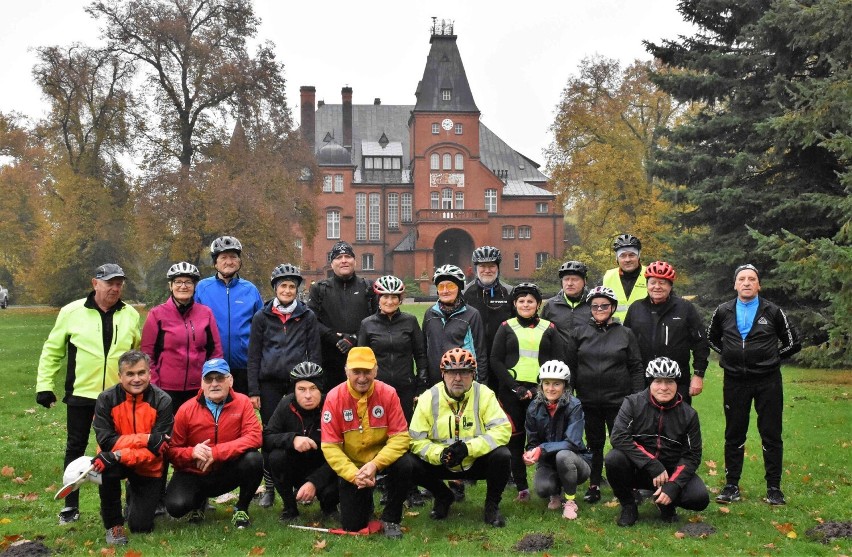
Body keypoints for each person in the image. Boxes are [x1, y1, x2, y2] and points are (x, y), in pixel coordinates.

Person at [36, 263, 141, 525]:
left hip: (118, 396)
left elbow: (137, 354)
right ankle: (71, 506)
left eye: (119, 284)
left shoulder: (130, 315)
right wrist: (44, 385)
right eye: (109, 283)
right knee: (75, 447)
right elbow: (52, 350)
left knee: (124, 448)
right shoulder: (71, 312)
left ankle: (131, 503)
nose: (115, 288)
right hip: (81, 393)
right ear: (95, 283)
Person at [708, 264, 801, 506]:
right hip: (735, 381)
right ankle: (731, 486)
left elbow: (792, 342)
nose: (747, 283)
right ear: (735, 284)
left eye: (752, 279)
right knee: (734, 433)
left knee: (771, 434)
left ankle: (774, 488)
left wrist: (771, 359)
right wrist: (728, 356)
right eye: (742, 279)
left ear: (759, 285)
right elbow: (711, 338)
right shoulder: (723, 311)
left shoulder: (772, 311)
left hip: (767, 381)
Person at [409, 348, 512, 527]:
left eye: (464, 372)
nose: (457, 378)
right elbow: (415, 440)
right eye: (452, 373)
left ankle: (491, 506)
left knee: (502, 455)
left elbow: (502, 429)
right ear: (443, 374)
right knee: (408, 462)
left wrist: (468, 448)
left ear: (473, 374)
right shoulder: (428, 397)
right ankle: (442, 495)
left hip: (475, 460)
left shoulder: (485, 394)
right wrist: (440, 454)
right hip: (442, 462)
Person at [247, 263, 321, 508]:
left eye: (292, 286)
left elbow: (315, 352)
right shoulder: (262, 316)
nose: (288, 290)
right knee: (272, 435)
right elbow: (254, 355)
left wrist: (315, 384)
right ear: (275, 288)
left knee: (304, 432)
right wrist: (253, 390)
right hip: (269, 384)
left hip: (298, 384)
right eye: (283, 286)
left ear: (297, 290)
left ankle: (303, 483)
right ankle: (270, 487)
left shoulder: (307, 315)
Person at [321, 347, 413, 539]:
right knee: (353, 525)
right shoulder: (333, 397)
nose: (362, 378)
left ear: (376, 371)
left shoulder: (388, 393)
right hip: (353, 466)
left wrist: (375, 464)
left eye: (367, 372)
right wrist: (354, 475)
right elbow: (330, 446)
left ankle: (391, 518)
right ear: (346, 371)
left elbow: (401, 437)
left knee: (406, 464)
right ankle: (363, 500)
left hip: (380, 461)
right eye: (356, 372)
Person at [605, 357, 710, 526]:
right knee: (613, 459)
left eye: (669, 381)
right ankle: (628, 505)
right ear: (650, 382)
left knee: (699, 498)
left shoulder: (689, 414)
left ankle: (666, 503)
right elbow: (618, 436)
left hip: (670, 472)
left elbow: (692, 455)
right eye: (658, 381)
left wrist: (673, 485)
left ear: (677, 383)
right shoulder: (632, 403)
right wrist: (651, 463)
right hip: (638, 468)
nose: (663, 387)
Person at [565, 286, 644, 504]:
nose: (599, 309)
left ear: (613, 307)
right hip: (588, 400)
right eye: (595, 306)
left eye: (604, 305)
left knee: (624, 443)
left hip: (620, 401)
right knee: (594, 444)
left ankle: (630, 486)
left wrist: (637, 397)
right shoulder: (579, 333)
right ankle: (594, 484)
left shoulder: (625, 333)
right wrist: (568, 393)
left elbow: (636, 367)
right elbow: (570, 366)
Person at [165, 358, 263, 529]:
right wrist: (192, 452)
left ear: (230, 380)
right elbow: (171, 451)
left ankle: (242, 508)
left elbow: (255, 436)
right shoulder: (186, 409)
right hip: (194, 472)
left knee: (254, 460)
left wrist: (216, 453)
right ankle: (198, 503)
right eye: (209, 379)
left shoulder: (243, 403)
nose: (214, 384)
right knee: (176, 507)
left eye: (220, 378)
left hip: (227, 470)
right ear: (202, 383)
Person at [490, 282, 564, 503]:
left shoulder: (549, 328)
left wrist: (538, 389)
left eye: (530, 301)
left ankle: (552, 488)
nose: (525, 304)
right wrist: (516, 388)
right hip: (512, 392)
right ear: (515, 304)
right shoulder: (505, 326)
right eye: (521, 301)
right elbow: (496, 360)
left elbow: (558, 361)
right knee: (515, 441)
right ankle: (522, 487)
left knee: (546, 439)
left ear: (538, 304)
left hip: (543, 391)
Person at [90, 350, 173, 545]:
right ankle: (113, 525)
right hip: (113, 462)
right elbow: (107, 442)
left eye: (141, 373)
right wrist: (147, 438)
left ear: (149, 374)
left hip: (147, 465)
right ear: (120, 376)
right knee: (105, 468)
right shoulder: (106, 399)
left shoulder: (163, 401)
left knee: (140, 527)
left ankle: (133, 491)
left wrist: (119, 454)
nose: (137, 379)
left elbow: (157, 449)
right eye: (130, 374)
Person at [141, 262, 223, 416]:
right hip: (166, 389)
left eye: (188, 282)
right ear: (170, 286)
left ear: (194, 286)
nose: (183, 286)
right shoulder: (157, 314)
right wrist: (154, 385)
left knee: (198, 432)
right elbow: (147, 355)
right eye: (178, 282)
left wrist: (213, 381)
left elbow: (215, 351)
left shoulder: (205, 313)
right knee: (169, 434)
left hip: (199, 387)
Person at [623, 261, 709, 405]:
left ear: (670, 286)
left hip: (677, 380)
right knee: (643, 424)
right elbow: (625, 343)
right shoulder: (636, 308)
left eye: (662, 283)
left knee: (678, 424)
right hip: (642, 380)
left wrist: (699, 374)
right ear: (647, 285)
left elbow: (700, 342)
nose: (657, 287)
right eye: (653, 282)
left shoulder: (685, 308)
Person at [264, 362, 338, 522]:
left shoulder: (332, 405)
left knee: (333, 489)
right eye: (302, 389)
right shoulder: (286, 405)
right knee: (275, 456)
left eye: (313, 388)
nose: (308, 395)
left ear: (321, 388)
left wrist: (314, 482)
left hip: (326, 465)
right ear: (294, 390)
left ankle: (329, 506)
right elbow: (267, 437)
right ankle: (290, 508)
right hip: (296, 465)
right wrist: (292, 439)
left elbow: (344, 450)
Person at [195, 236, 263, 395]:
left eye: (233, 257)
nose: (229, 261)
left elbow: (261, 326)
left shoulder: (250, 290)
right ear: (215, 262)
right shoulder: (202, 288)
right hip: (212, 364)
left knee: (241, 412)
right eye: (223, 257)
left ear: (239, 261)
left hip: (243, 365)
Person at [523, 360, 591, 520]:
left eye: (556, 384)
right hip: (548, 462)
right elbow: (533, 441)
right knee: (542, 489)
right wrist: (530, 453)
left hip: (576, 460)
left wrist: (542, 448)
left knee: (563, 456)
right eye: (546, 383)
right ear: (541, 385)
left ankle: (570, 502)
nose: (550, 388)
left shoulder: (574, 405)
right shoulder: (533, 407)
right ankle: (555, 493)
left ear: (565, 386)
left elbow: (572, 442)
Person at [357, 275, 427, 423]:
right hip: (377, 387)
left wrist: (421, 385)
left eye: (394, 297)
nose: (390, 301)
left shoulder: (410, 321)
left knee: (404, 427)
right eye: (385, 297)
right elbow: (361, 359)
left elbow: (420, 354)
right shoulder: (367, 324)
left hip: (405, 387)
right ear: (378, 298)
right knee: (378, 428)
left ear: (400, 299)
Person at [308, 241, 377, 388]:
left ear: (355, 261)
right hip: (329, 361)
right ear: (332, 264)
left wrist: (354, 338)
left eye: (348, 256)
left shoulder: (368, 287)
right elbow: (311, 321)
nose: (344, 260)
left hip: (361, 359)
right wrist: (335, 338)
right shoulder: (319, 289)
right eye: (339, 257)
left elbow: (376, 320)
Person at [422, 264, 488, 386]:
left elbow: (480, 353)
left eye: (450, 286)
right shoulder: (430, 314)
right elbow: (424, 350)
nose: (445, 291)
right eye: (441, 287)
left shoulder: (472, 315)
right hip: (435, 382)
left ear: (459, 287)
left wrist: (481, 383)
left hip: (462, 381)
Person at [462, 246, 513, 390]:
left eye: (491, 266)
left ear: (498, 267)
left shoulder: (509, 293)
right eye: (482, 266)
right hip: (474, 356)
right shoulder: (465, 293)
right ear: (476, 268)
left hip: (503, 358)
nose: (487, 270)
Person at [541, 260, 593, 344]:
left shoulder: (593, 304)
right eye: (566, 279)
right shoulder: (550, 305)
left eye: (575, 279)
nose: (569, 283)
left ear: (585, 281)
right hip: (559, 356)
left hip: (586, 356)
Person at [602, 234, 647, 322]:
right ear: (617, 258)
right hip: (616, 332)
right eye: (622, 256)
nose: (627, 260)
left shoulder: (650, 275)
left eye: (631, 255)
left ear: (638, 256)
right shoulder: (608, 276)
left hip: (643, 332)